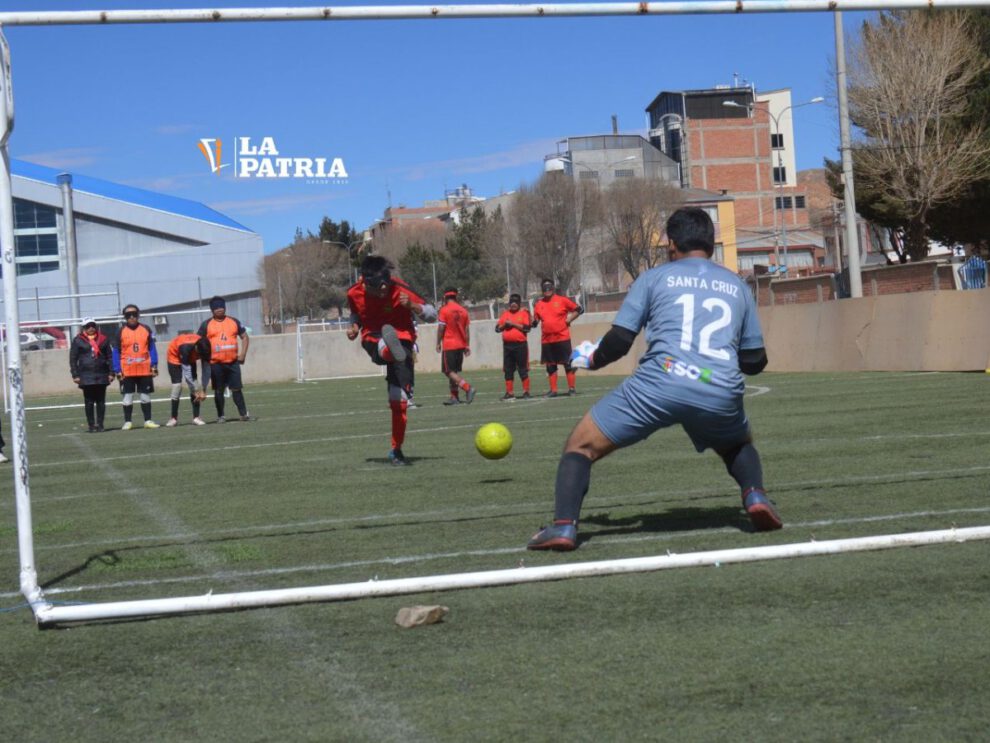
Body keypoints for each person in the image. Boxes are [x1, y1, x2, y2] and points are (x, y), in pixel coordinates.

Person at [527, 207, 780, 551]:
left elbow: (620, 340)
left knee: (580, 446)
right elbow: (754, 361)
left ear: (671, 244)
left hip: (659, 384)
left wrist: (592, 359)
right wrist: (712, 366)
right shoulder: (737, 285)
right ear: (711, 243)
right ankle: (755, 496)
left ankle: (563, 527)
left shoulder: (654, 278)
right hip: (718, 387)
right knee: (737, 444)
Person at [346, 255, 436, 466]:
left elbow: (432, 315)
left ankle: (396, 450)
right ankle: (386, 347)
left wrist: (413, 306)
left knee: (400, 401)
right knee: (381, 344)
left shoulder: (400, 288)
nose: (384, 290)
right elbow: (355, 314)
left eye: (387, 284)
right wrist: (354, 327)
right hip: (372, 337)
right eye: (379, 287)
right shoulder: (353, 293)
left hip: (402, 340)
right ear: (366, 282)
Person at [197, 296, 250, 423]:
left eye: (221, 306)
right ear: (212, 310)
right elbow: (198, 341)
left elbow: (244, 337)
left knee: (237, 389)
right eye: (216, 307)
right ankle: (221, 416)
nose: (219, 309)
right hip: (216, 364)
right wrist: (203, 356)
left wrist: (243, 354)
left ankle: (243, 414)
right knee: (219, 390)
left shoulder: (234, 321)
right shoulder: (206, 324)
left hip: (233, 362)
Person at [112, 304, 160, 430]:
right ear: (125, 317)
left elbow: (152, 348)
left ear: (138, 315)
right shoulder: (120, 331)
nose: (132, 317)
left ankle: (148, 421)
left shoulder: (146, 329)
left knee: (145, 396)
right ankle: (128, 422)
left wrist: (154, 364)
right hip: (127, 370)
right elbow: (116, 351)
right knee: (127, 397)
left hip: (144, 369)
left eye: (134, 314)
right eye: (128, 315)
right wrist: (117, 369)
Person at [532, 277, 582, 397]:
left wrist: (569, 319)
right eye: (545, 288)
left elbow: (579, 309)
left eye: (549, 287)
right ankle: (553, 390)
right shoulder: (539, 304)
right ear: (542, 289)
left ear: (553, 288)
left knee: (567, 364)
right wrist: (531, 322)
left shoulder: (562, 300)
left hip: (562, 338)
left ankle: (571, 389)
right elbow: (535, 321)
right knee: (550, 366)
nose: (547, 290)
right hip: (547, 340)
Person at [69, 317, 114, 432]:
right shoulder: (78, 340)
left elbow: (109, 357)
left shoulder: (103, 339)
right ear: (84, 328)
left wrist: (111, 372)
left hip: (101, 373)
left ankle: (100, 424)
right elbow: (73, 358)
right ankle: (91, 425)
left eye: (93, 325)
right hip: (86, 375)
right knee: (89, 401)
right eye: (88, 326)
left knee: (101, 401)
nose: (91, 328)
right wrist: (75, 374)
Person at [436, 287, 475, 405]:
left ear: (445, 297)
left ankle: (467, 387)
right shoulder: (463, 310)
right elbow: (467, 330)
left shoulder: (444, 310)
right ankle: (454, 397)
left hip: (449, 345)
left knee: (448, 372)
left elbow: (441, 327)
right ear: (456, 296)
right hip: (461, 345)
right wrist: (467, 345)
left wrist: (438, 342)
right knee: (454, 372)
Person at [165, 330, 210, 427]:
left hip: (190, 357)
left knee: (195, 384)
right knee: (177, 386)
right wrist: (195, 391)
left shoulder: (206, 348)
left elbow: (206, 369)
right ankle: (173, 418)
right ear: (196, 347)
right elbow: (187, 373)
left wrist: (204, 389)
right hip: (174, 356)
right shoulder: (185, 348)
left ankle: (196, 417)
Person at [495, 293, 532, 400]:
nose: (513, 304)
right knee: (508, 370)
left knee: (523, 370)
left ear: (519, 303)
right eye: (512, 302)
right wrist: (505, 325)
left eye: (516, 302)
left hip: (520, 346)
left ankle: (526, 392)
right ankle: (509, 393)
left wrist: (513, 324)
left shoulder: (523, 313)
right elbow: (497, 329)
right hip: (507, 347)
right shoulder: (505, 314)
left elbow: (527, 328)